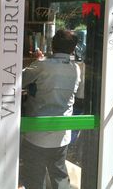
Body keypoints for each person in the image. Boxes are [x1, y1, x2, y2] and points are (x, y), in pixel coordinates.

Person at [20, 29, 81, 189]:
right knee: (59, 176)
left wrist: (36, 61)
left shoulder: (42, 65)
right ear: (73, 49)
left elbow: (19, 80)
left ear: (52, 46)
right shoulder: (76, 69)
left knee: (34, 177)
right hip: (61, 134)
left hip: (36, 134)